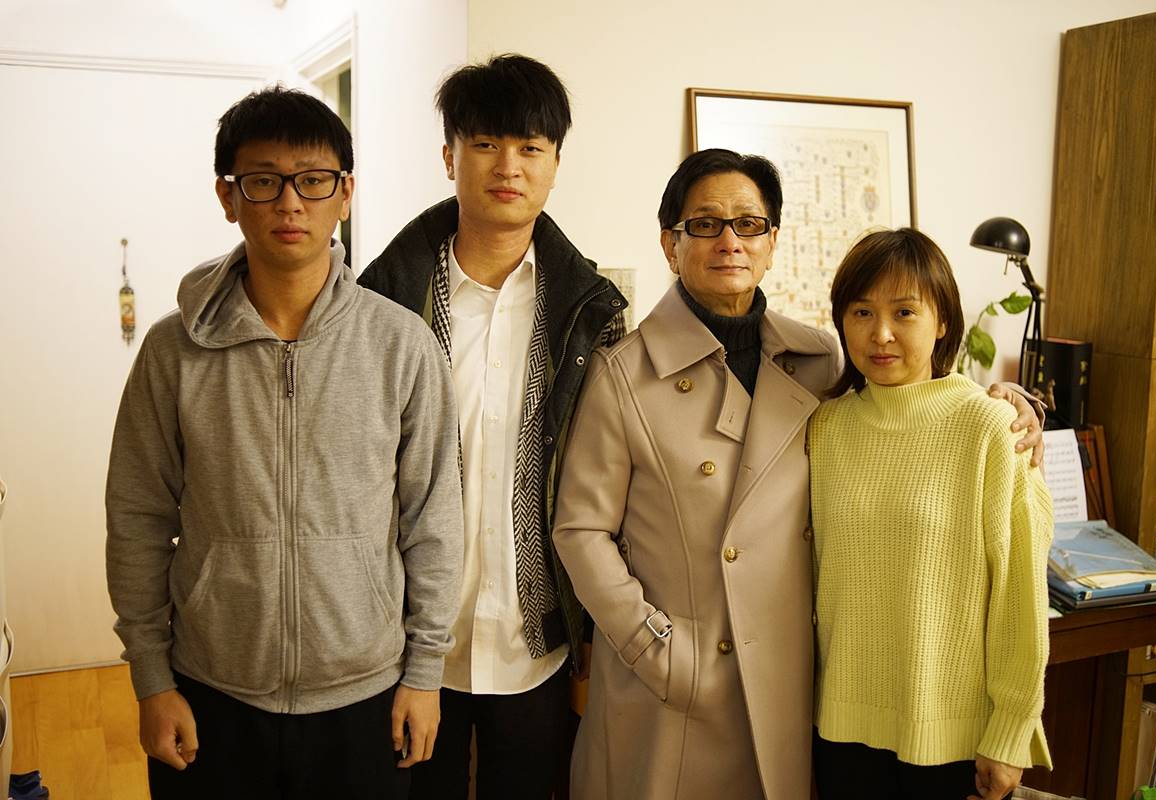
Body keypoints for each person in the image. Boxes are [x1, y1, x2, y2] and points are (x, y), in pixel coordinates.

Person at [551, 149, 1045, 800]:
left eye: (749, 224)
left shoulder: (815, 359)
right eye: (705, 224)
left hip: (790, 688)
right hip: (676, 683)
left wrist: (1006, 400)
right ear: (671, 244)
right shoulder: (623, 373)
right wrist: (654, 648)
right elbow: (580, 530)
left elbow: (907, 414)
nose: (730, 240)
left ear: (772, 241)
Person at [105, 86, 464, 799]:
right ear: (228, 196)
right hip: (210, 692)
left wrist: (425, 672)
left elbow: (432, 521)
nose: (290, 203)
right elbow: (138, 518)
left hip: (366, 696)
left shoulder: (401, 345)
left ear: (345, 194)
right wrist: (151, 678)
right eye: (263, 181)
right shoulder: (174, 351)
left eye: (313, 180)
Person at [357, 54, 626, 799]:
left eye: (530, 147)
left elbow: (610, 485)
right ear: (449, 157)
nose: (508, 166)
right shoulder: (382, 302)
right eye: (485, 144)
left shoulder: (592, 314)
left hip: (538, 640)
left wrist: (595, 634)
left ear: (555, 164)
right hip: (406, 645)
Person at [809, 228, 1054, 800]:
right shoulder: (824, 427)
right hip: (840, 728)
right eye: (862, 312)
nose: (881, 333)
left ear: (942, 321)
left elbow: (1020, 593)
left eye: (905, 312)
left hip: (953, 738)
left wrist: (1011, 732)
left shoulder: (991, 428)